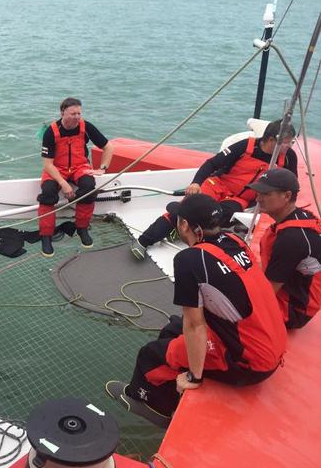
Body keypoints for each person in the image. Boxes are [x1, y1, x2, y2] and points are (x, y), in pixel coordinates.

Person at [106, 194, 286, 428]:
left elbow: (195, 325)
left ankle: (146, 402)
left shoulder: (189, 260)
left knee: (151, 354)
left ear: (184, 225)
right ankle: (169, 388)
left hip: (248, 362)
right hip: (270, 342)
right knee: (172, 327)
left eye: (178, 219)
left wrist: (194, 376)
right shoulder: (235, 241)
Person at [131, 119, 298, 260]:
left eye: (291, 141)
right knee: (184, 210)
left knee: (217, 217)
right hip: (218, 184)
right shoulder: (246, 146)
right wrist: (196, 183)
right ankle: (143, 241)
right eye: (286, 142)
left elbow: (292, 184)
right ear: (270, 139)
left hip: (241, 198)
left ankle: (191, 236)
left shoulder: (288, 157)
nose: (289, 146)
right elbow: (212, 163)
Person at [37, 97, 114, 257]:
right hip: (56, 168)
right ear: (63, 112)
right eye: (73, 113)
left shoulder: (86, 127)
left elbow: (108, 147)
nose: (77, 117)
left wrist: (103, 168)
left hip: (80, 167)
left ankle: (82, 228)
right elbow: (48, 165)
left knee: (88, 188)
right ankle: (46, 236)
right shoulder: (51, 131)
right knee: (48, 192)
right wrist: (64, 184)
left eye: (79, 113)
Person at [247, 169, 320, 329]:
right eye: (258, 193)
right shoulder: (298, 217)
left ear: (287, 196)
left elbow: (267, 293)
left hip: (293, 311)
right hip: (291, 291)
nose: (258, 199)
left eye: (266, 194)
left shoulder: (292, 239)